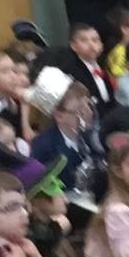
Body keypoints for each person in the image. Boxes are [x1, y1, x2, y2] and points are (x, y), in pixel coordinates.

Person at [29, 70, 103, 209]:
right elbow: (41, 190)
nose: (89, 113)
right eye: (80, 110)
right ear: (59, 116)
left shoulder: (91, 135)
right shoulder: (44, 146)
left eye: (89, 105)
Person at [53, 21, 118, 114]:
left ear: (101, 45)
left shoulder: (102, 68)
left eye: (95, 40)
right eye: (84, 40)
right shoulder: (71, 71)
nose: (91, 45)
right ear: (73, 46)